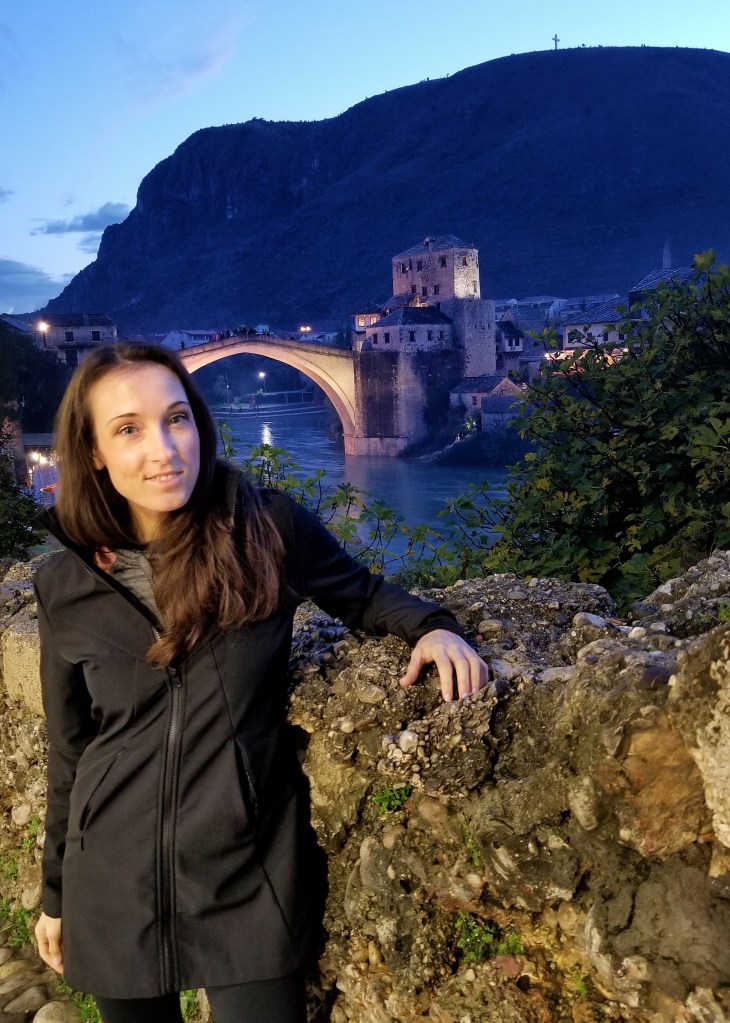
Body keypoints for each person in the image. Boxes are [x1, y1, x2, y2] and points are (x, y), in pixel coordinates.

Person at [33, 343, 488, 1023]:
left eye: (176, 419)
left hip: (245, 870)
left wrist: (433, 625)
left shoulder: (262, 525)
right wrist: (56, 892)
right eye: (129, 429)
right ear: (95, 451)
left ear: (199, 424)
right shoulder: (63, 584)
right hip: (112, 879)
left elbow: (359, 593)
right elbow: (70, 750)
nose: (163, 448)